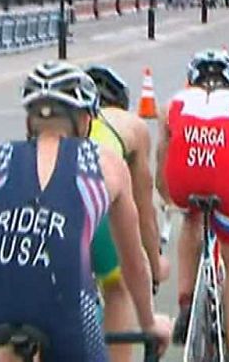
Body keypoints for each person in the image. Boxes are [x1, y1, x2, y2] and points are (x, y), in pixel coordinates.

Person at [0, 61, 172, 362]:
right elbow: (133, 262)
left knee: (12, 320)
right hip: (65, 307)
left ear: (29, 121)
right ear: (86, 120)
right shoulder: (106, 163)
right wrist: (150, 323)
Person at [155, 50, 229, 362]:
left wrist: (168, 198)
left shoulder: (173, 104)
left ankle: (184, 303)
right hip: (225, 180)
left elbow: (161, 160)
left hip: (184, 180)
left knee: (191, 220)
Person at [85, 65, 169, 362]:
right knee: (117, 286)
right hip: (97, 207)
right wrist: (155, 265)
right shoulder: (130, 124)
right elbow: (143, 210)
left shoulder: (52, 125)